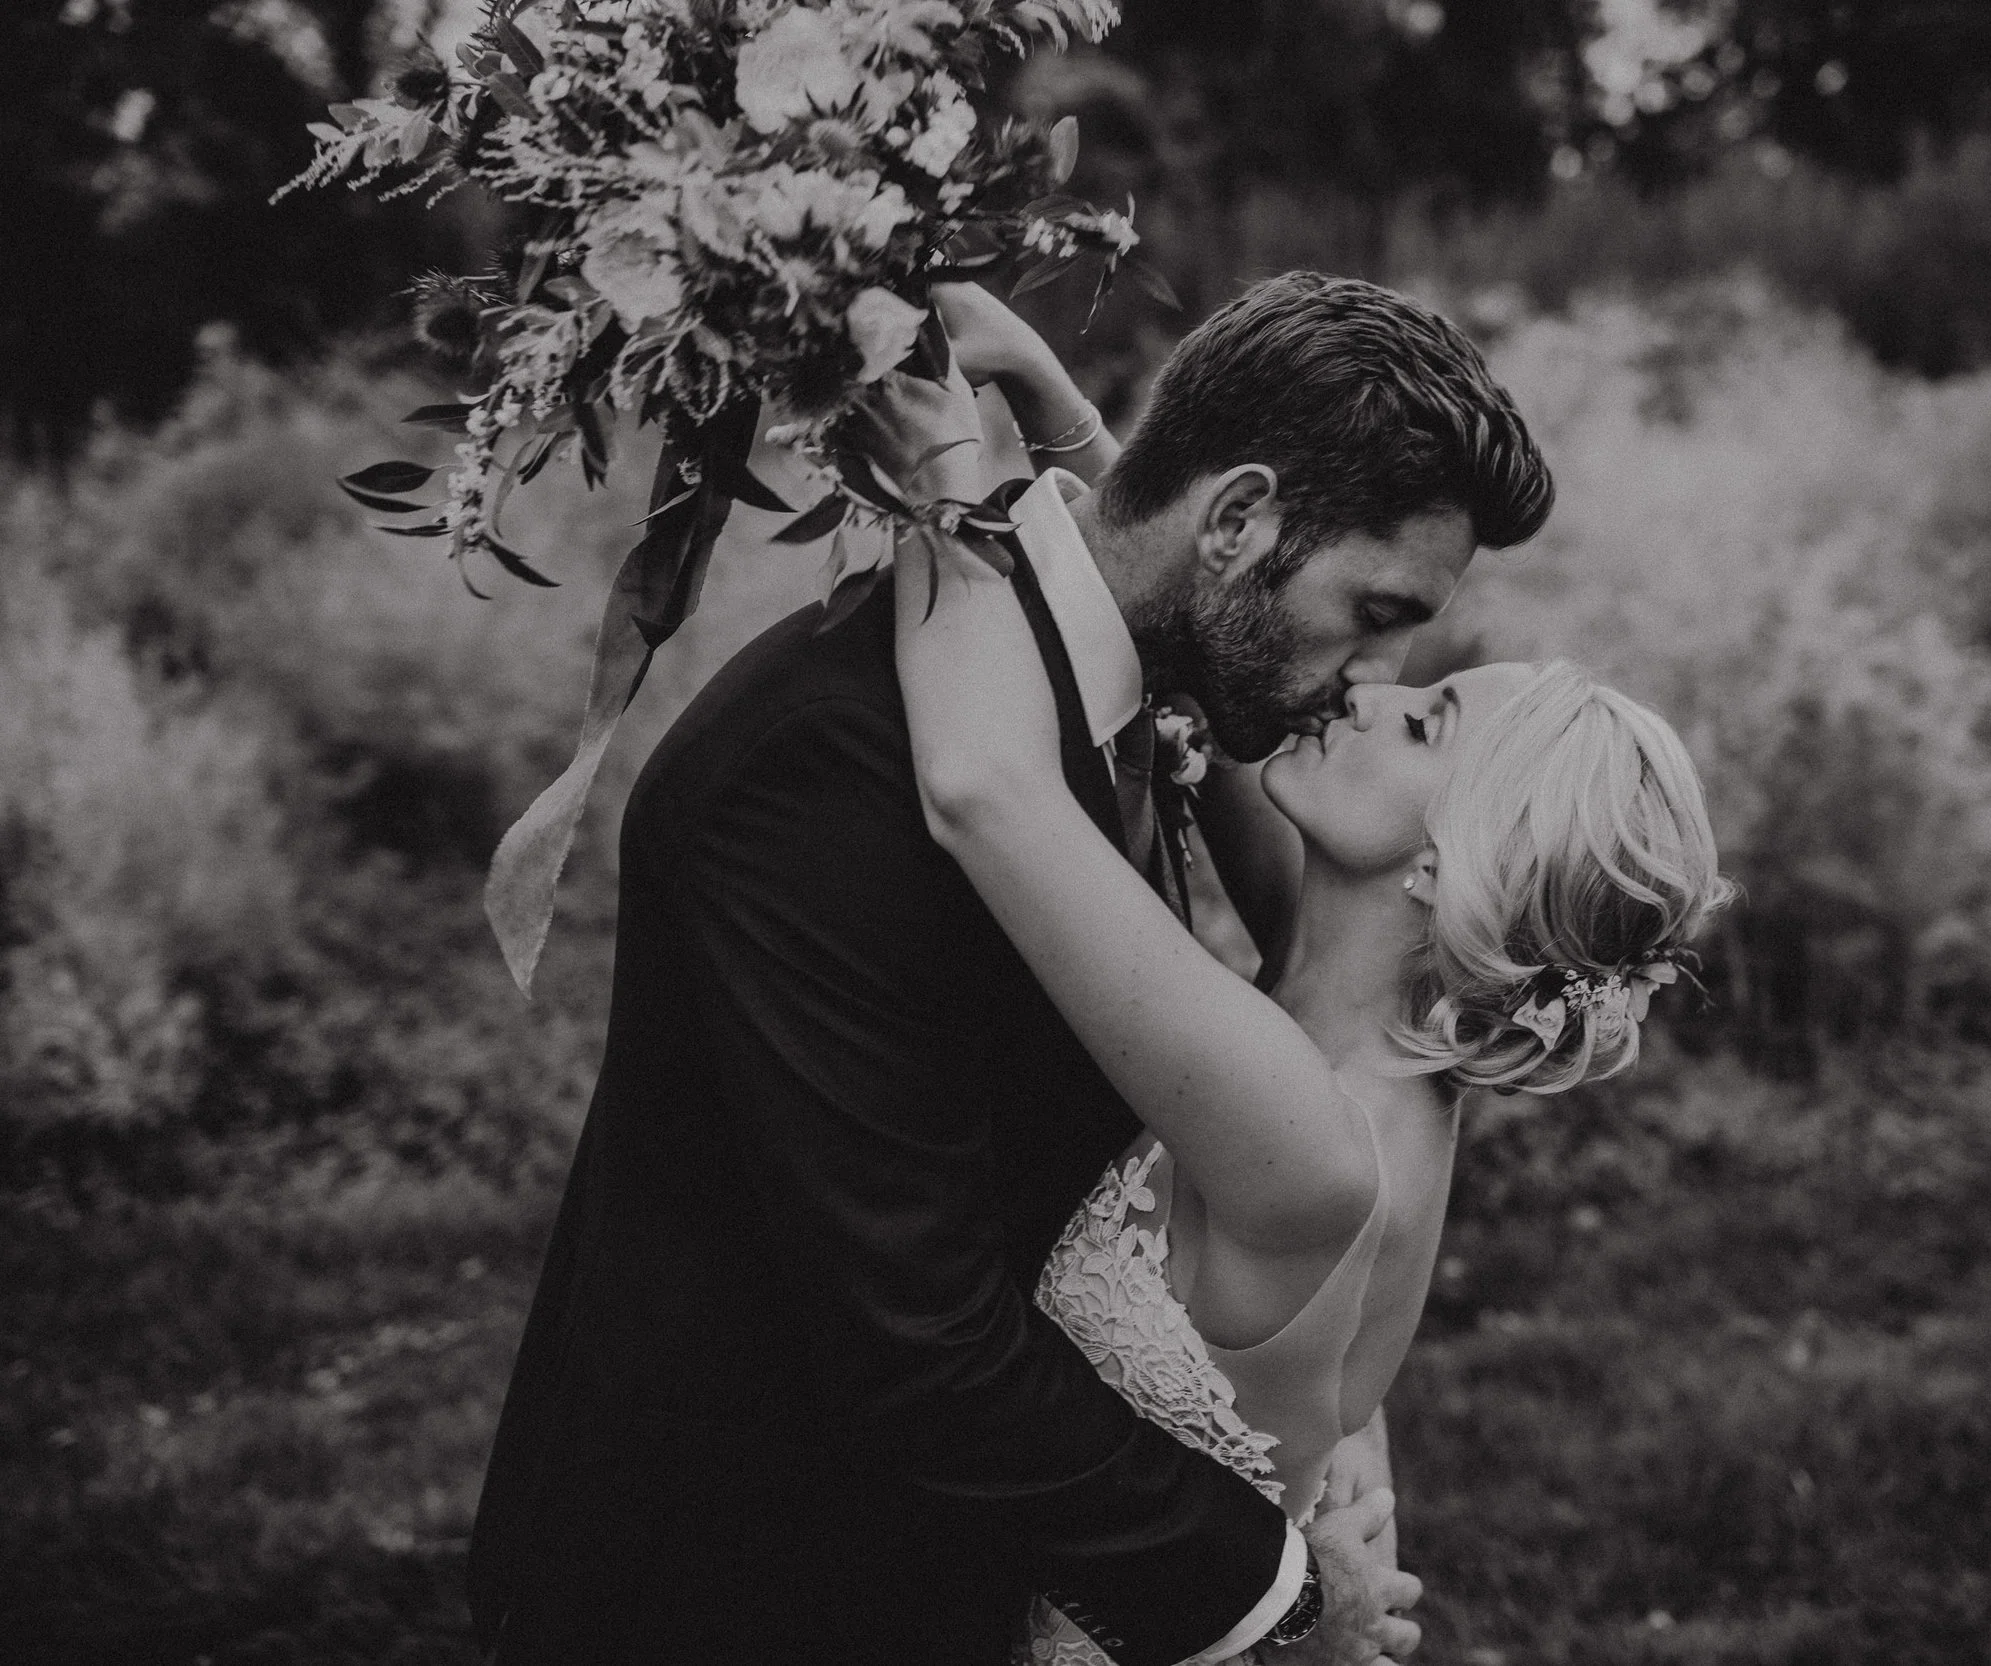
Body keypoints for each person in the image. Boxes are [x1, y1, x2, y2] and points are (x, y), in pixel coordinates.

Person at [466, 273, 1553, 1666]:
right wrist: (1273, 1596)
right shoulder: (827, 763)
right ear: (1235, 520)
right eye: (1375, 609)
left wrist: (1041, 432)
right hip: (728, 1581)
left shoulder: (1130, 690)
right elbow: (918, 1333)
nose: (1372, 673)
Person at [893, 433, 1733, 1666]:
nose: (1368, 692)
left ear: (1453, 863)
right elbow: (1190, 576)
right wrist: (1055, 404)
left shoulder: (1303, 1129)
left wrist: (926, 452)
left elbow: (983, 789)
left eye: (1425, 723)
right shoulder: (1354, 994)